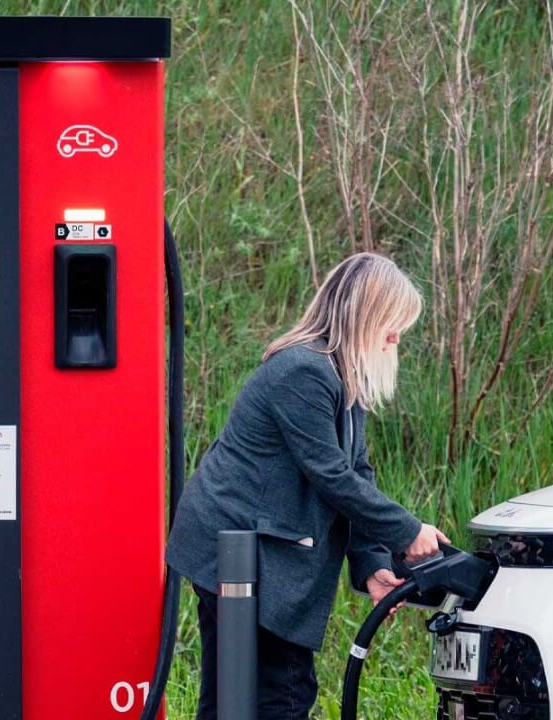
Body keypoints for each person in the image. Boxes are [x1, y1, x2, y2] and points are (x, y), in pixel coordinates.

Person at [166, 252, 449, 719]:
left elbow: (355, 472)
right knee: (282, 696)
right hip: (238, 550)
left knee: (239, 700)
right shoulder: (304, 371)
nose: (397, 336)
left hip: (256, 551)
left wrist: (373, 562)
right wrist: (407, 531)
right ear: (366, 317)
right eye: (393, 323)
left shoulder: (342, 377)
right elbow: (330, 476)